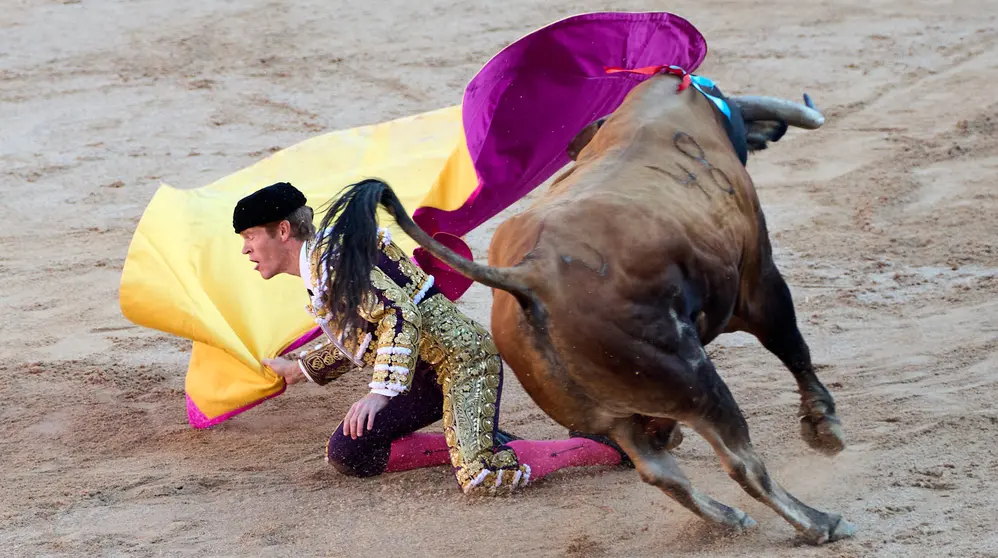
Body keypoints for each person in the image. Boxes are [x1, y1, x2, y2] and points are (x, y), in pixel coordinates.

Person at [233, 180, 627, 495]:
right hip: (421, 372)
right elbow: (365, 334)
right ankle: (478, 441)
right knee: (352, 453)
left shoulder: (330, 263)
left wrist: (380, 393)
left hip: (462, 361)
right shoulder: (326, 260)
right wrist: (299, 368)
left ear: (282, 230)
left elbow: (397, 313)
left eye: (250, 236)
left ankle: (599, 447)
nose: (247, 249)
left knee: (482, 477)